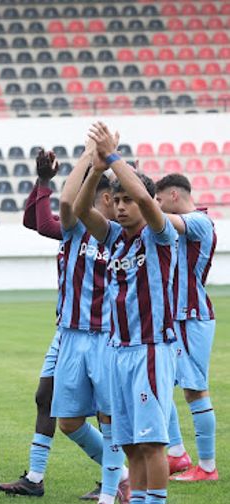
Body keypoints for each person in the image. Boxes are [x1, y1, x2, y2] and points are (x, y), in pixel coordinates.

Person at [0, 144, 129, 503]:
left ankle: (114, 483)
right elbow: (39, 221)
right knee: (52, 404)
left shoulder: (125, 237)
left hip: (104, 335)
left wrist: (95, 156)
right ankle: (48, 477)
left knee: (108, 414)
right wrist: (46, 180)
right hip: (67, 333)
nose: (114, 205)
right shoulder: (74, 230)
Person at [75, 122, 178, 504]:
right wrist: (97, 169)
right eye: (116, 202)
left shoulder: (159, 235)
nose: (119, 207)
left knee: (151, 442)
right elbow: (81, 208)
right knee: (131, 443)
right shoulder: (116, 239)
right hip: (117, 352)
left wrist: (115, 157)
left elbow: (149, 202)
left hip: (150, 349)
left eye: (126, 201)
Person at [154, 174, 218, 482]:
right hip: (175, 317)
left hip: (192, 315)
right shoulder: (183, 221)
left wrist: (141, 202)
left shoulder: (200, 222)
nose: (156, 204)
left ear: (174, 196)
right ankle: (177, 453)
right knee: (162, 382)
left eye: (158, 199)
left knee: (195, 390)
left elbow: (163, 222)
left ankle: (207, 467)